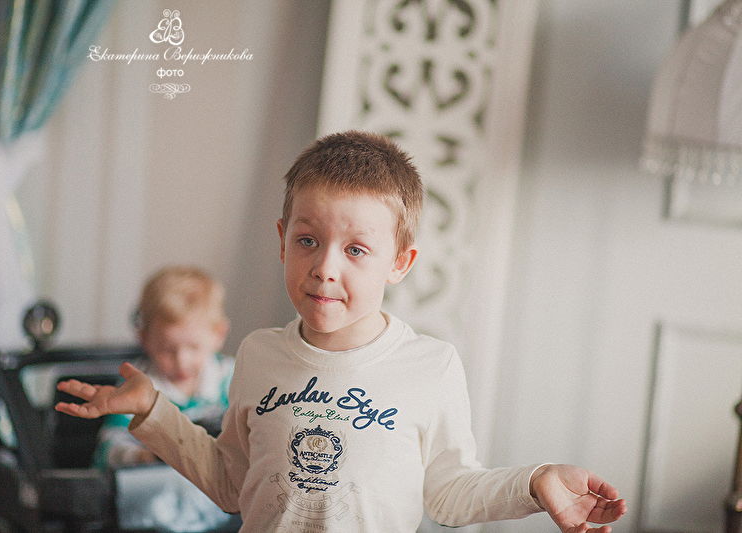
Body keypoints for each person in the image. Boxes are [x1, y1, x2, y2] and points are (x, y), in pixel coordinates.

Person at [56, 131, 627, 533]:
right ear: (282, 241)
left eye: (356, 250)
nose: (325, 267)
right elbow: (231, 484)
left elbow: (449, 493)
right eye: (308, 240)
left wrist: (535, 481)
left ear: (399, 262)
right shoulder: (258, 354)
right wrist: (153, 410)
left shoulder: (431, 367)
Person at [95, 266, 234, 468]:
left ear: (218, 335)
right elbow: (109, 448)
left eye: (194, 347)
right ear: (144, 337)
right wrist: (143, 457)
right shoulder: (135, 386)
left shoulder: (234, 380)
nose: (181, 361)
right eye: (167, 349)